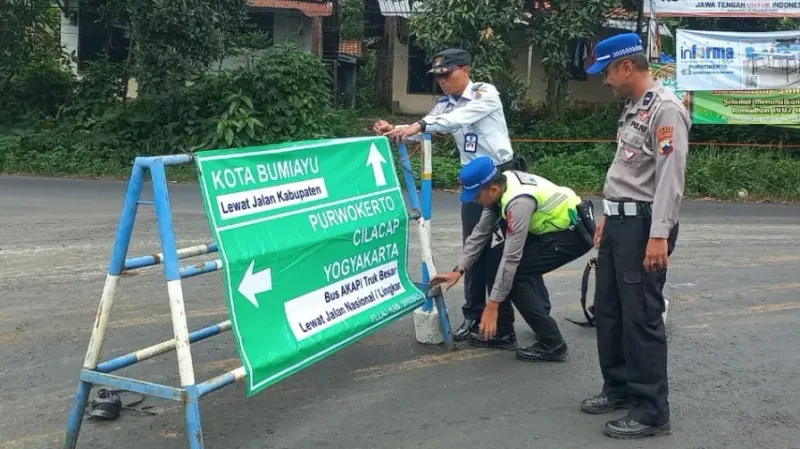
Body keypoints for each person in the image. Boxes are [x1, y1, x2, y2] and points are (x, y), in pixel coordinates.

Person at [373, 48, 549, 344]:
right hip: (475, 185)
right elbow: (425, 128)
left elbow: (453, 120)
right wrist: (396, 130)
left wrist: (422, 125)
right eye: (438, 76)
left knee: (518, 248)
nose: (442, 80)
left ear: (466, 69)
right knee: (474, 248)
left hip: (502, 180)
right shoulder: (445, 105)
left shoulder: (484, 94)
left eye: (448, 73)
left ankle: (539, 311)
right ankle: (474, 314)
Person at [579, 32, 690, 440]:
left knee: (641, 315)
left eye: (606, 71)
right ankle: (619, 387)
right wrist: (609, 212)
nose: (604, 80)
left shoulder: (666, 110)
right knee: (609, 309)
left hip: (645, 226)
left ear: (626, 66)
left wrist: (659, 235)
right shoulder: (633, 108)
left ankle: (650, 410)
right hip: (620, 223)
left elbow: (669, 179)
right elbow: (626, 172)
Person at [429, 157, 595, 361]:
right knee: (493, 258)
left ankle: (552, 343)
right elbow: (480, 232)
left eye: (475, 195)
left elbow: (511, 259)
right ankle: (504, 333)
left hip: (572, 234)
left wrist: (492, 306)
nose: (474, 200)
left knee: (513, 277)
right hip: (549, 230)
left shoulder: (518, 203)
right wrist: (459, 269)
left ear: (493, 189)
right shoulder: (500, 187)